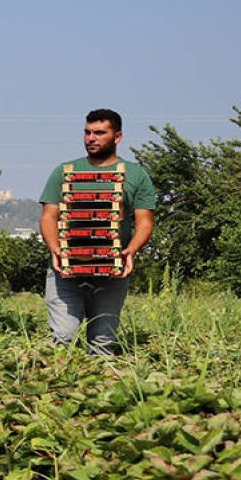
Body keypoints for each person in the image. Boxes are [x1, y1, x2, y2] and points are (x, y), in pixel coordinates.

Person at [38, 109, 156, 355]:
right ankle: (60, 378)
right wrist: (55, 249)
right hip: (65, 269)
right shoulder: (64, 171)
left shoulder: (136, 175)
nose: (91, 138)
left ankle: (100, 378)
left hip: (112, 271)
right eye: (88, 132)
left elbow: (144, 222)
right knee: (63, 337)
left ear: (117, 137)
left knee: (103, 342)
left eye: (100, 133)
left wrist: (131, 251)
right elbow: (49, 216)